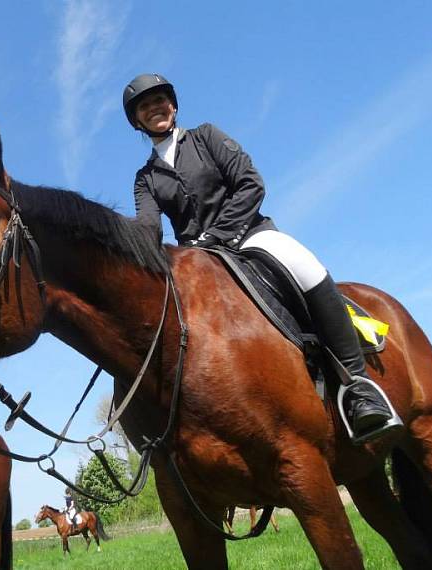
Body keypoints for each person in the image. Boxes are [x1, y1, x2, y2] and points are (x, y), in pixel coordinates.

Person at [122, 73, 401, 443]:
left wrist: (219, 235)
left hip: (250, 235)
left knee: (306, 267)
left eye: (159, 100)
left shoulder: (206, 136)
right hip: (198, 258)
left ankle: (359, 387)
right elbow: (148, 228)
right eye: (145, 106)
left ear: (172, 105)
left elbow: (250, 183)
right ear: (137, 121)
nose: (154, 108)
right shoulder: (145, 178)